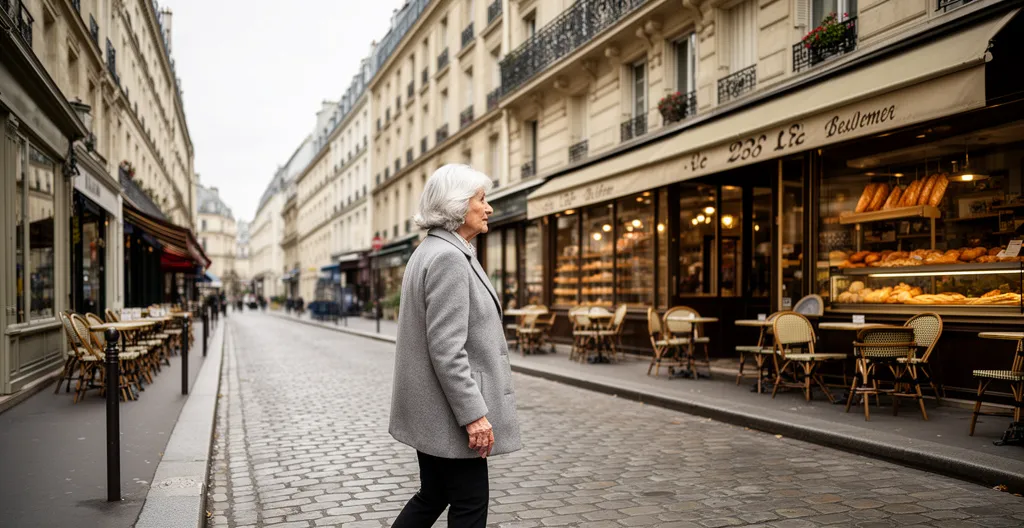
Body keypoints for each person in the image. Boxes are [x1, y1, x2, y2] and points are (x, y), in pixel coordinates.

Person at [390, 164, 521, 528]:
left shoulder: (432, 250)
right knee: (469, 503)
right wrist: (474, 416)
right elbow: (447, 349)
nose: (489, 207)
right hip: (450, 413)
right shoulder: (448, 257)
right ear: (458, 205)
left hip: (434, 408)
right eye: (481, 199)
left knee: (433, 494)